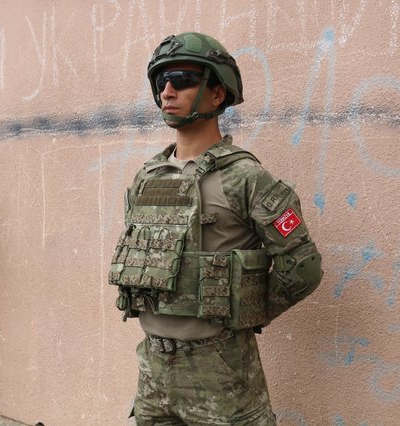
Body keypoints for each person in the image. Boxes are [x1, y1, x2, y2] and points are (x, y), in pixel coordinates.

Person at [108, 33, 323, 425]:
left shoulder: (246, 178)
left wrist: (247, 308)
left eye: (182, 79)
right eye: (161, 82)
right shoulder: (147, 177)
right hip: (153, 368)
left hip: (221, 372)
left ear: (217, 93)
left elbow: (303, 267)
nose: (168, 91)